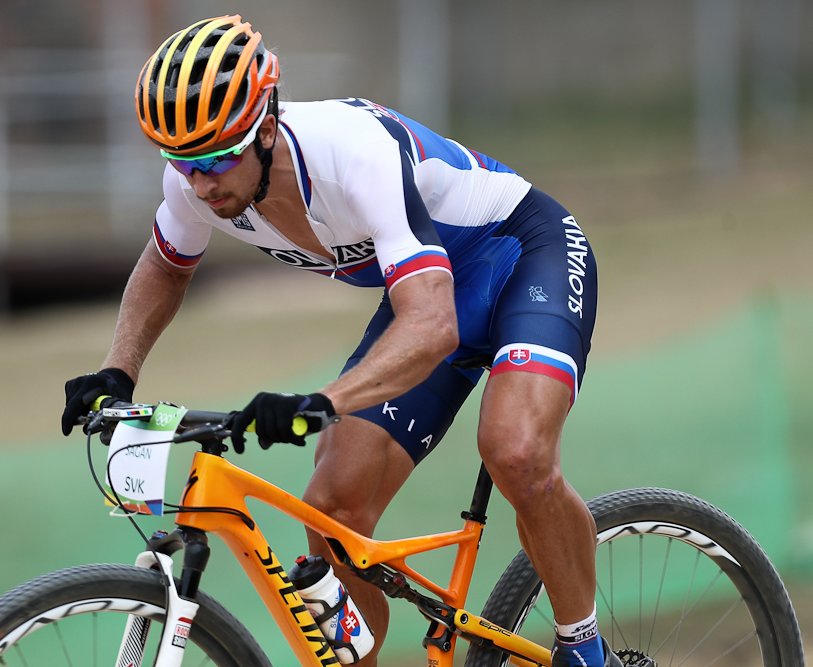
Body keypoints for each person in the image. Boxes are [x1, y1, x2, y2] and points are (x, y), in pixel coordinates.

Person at [61, 15, 613, 667]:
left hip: (522, 255)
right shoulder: (194, 186)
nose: (201, 181)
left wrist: (321, 399)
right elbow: (164, 265)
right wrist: (116, 373)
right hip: (430, 293)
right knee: (331, 512)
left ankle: (585, 646)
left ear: (264, 126)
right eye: (181, 160)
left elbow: (433, 326)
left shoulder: (352, 152)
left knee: (514, 451)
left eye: (214, 158)